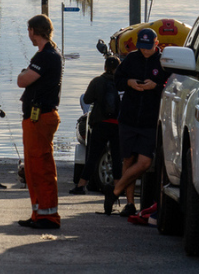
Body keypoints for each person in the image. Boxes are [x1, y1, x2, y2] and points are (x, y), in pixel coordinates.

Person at [103, 28, 169, 217]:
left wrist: (155, 86)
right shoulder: (131, 58)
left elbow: (170, 86)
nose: (145, 51)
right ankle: (130, 204)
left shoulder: (163, 62)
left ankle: (115, 191)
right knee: (128, 159)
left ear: (156, 44)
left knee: (145, 162)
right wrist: (130, 82)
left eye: (148, 47)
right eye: (142, 47)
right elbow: (118, 80)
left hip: (150, 119)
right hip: (129, 117)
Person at [16, 14, 63, 230]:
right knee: (34, 168)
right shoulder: (47, 55)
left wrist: (22, 73)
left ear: (34, 31)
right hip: (38, 117)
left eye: (29, 31)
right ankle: (38, 213)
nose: (29, 36)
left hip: (40, 118)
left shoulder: (46, 57)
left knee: (40, 167)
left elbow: (23, 80)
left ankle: (47, 216)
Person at [70, 56, 122, 194]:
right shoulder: (121, 83)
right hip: (117, 125)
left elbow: (87, 99)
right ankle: (117, 188)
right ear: (118, 68)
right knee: (117, 157)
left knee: (93, 156)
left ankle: (81, 186)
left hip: (100, 124)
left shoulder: (97, 81)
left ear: (105, 67)